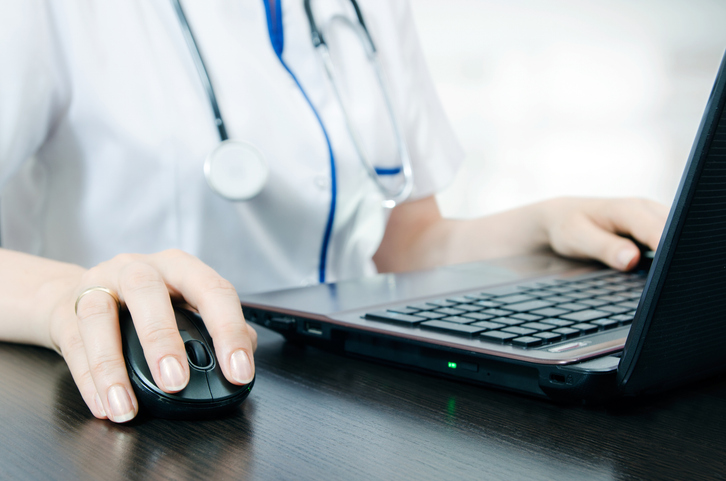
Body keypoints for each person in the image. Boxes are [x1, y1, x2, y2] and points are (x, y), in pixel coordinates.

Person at [0, 0, 667, 423]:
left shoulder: (374, 9)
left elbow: (404, 245)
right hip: (125, 411)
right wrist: (64, 296)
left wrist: (537, 226)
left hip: (347, 402)